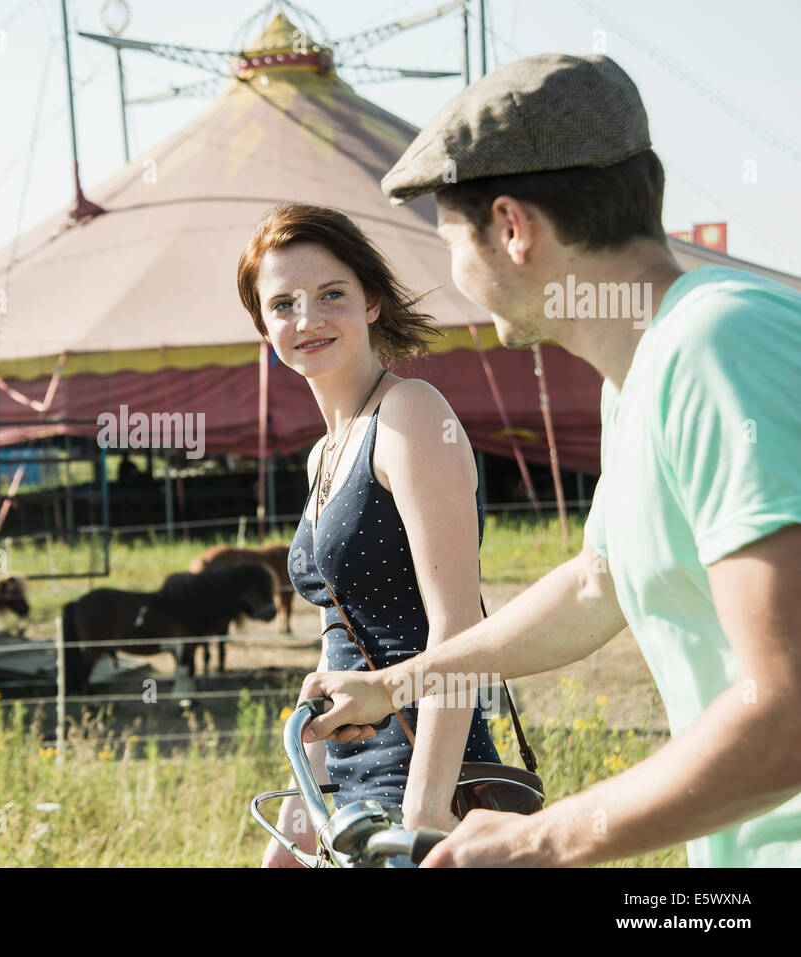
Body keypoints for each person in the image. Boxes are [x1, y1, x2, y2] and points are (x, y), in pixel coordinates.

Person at [300, 53, 801, 867]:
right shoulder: (637, 379)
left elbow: (789, 713)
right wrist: (398, 683)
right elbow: (595, 583)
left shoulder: (718, 346)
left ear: (511, 228)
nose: (456, 275)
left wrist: (539, 838)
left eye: (450, 238)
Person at [237, 202, 503, 868]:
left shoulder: (410, 413)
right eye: (283, 304)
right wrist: (304, 811)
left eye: (332, 294)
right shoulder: (323, 453)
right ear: (263, 324)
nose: (309, 318)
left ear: (372, 300)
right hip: (348, 782)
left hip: (428, 770)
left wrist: (426, 812)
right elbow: (339, 638)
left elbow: (457, 628)